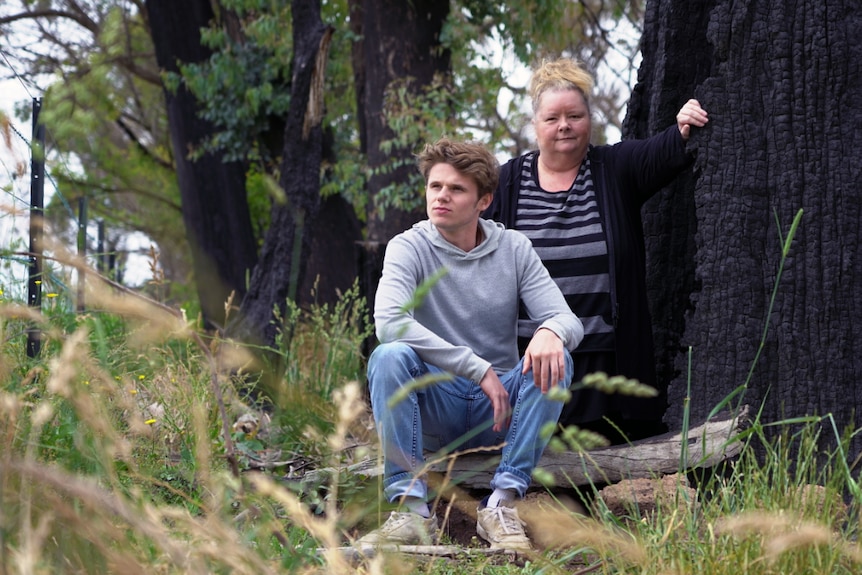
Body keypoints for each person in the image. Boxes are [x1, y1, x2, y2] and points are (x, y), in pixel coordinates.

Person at [358, 138, 583, 550]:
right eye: (435, 186)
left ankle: (501, 504)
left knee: (558, 355)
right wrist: (475, 367)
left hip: (495, 414)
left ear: (484, 201)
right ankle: (410, 512)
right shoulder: (407, 247)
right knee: (388, 356)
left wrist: (550, 332)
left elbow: (566, 318)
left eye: (456, 189)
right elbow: (389, 323)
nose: (441, 196)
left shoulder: (514, 249)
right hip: (434, 405)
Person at [484, 58, 709, 443]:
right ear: (534, 125)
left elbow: (663, 148)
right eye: (552, 118)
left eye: (575, 115)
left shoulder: (613, 167)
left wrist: (684, 126)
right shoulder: (506, 182)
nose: (564, 126)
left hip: (606, 363)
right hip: (530, 364)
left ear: (589, 118)